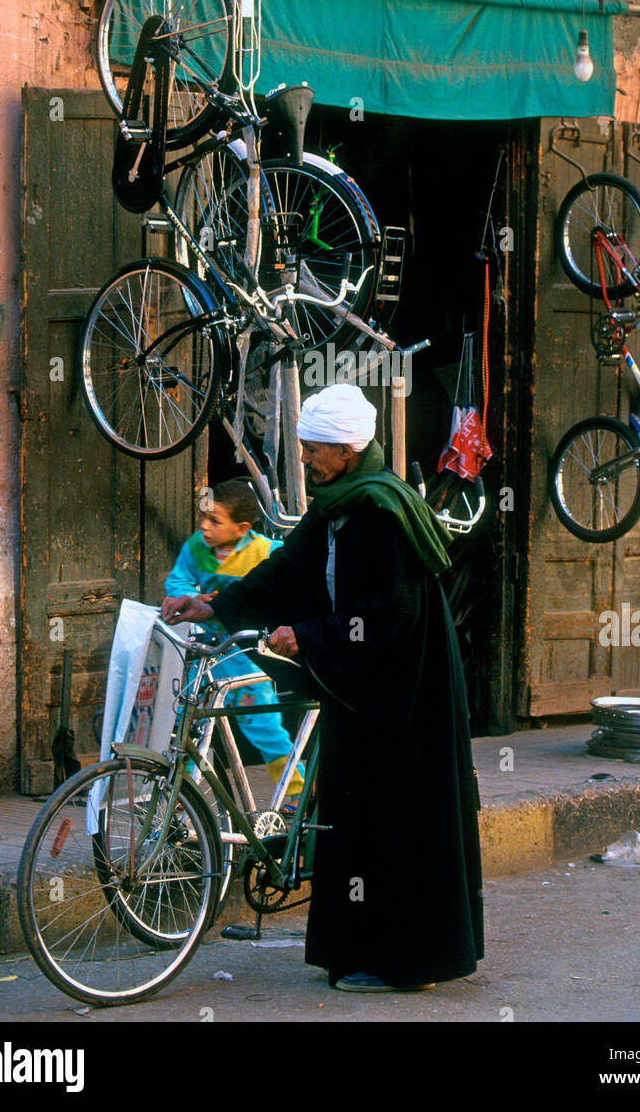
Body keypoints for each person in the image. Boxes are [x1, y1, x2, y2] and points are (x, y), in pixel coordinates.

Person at [162, 386, 484, 993]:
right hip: (365, 688)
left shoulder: (380, 511)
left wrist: (309, 635)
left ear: (345, 449)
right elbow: (289, 568)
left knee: (392, 816)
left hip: (402, 692)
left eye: (312, 451)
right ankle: (360, 951)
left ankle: (405, 964)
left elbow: (390, 613)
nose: (306, 461)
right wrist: (210, 605)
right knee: (353, 815)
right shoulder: (339, 502)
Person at [165, 479, 303, 803]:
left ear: (241, 528)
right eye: (204, 517)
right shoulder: (195, 547)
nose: (204, 526)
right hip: (203, 653)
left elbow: (295, 584)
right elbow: (178, 579)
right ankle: (177, 798)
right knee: (188, 726)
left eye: (215, 520)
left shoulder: (267, 552)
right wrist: (190, 595)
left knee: (265, 728)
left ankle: (296, 795)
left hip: (245, 655)